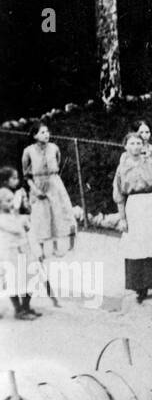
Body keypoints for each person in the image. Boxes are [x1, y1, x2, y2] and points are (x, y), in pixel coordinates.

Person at [114, 132, 152, 303]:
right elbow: (119, 193)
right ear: (125, 146)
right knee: (138, 244)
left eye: (139, 143)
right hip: (134, 205)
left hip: (150, 203)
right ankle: (141, 288)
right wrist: (122, 218)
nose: (136, 147)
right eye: (132, 143)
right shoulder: (122, 168)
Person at [21, 121, 77, 252]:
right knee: (42, 216)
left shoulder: (54, 148)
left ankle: (60, 246)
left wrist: (52, 179)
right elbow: (26, 175)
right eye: (42, 132)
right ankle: (41, 248)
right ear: (35, 136)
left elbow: (57, 162)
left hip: (54, 184)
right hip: (38, 186)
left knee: (59, 213)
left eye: (47, 132)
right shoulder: (28, 151)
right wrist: (35, 189)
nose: (46, 135)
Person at [1, 186, 40, 319]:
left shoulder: (17, 216)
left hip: (24, 250)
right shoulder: (2, 219)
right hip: (10, 254)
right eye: (7, 201)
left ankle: (26, 306)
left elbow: (28, 228)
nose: (11, 203)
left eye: (12, 200)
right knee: (14, 282)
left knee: (30, 278)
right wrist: (21, 218)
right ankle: (18, 310)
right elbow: (16, 228)